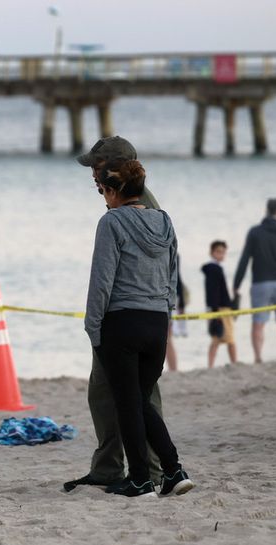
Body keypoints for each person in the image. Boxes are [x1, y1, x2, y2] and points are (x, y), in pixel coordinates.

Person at [84, 158, 193, 497]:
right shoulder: (164, 221)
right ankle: (172, 471)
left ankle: (142, 479)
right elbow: (172, 274)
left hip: (123, 323)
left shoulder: (111, 222)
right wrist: (167, 315)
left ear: (115, 191)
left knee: (129, 403)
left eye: (103, 190)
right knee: (139, 401)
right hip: (156, 323)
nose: (103, 196)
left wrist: (93, 327)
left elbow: (101, 281)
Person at [64, 136, 165, 493]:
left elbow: (110, 274)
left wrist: (94, 324)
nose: (92, 174)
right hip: (128, 317)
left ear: (115, 168)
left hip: (125, 321)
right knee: (102, 393)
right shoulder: (121, 203)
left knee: (141, 396)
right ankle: (108, 467)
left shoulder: (135, 209)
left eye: (96, 167)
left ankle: (152, 471)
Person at [232, 198, 276, 363]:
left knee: (258, 323)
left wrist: (236, 284)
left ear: (266, 211)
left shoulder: (255, 232)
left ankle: (258, 358)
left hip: (260, 283)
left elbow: (244, 259)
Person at [202, 240, 238, 368]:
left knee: (216, 339)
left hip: (216, 308)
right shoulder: (214, 269)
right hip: (220, 308)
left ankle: (210, 365)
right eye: (218, 252)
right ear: (211, 253)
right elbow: (214, 291)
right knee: (230, 339)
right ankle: (234, 363)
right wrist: (216, 310)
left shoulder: (213, 269)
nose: (221, 254)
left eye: (223, 252)